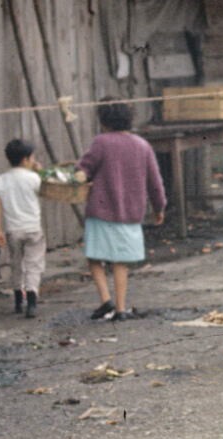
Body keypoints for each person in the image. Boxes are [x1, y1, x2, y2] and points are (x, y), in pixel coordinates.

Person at [75, 102, 166, 321]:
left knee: (94, 257)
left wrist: (78, 174)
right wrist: (159, 206)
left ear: (104, 121)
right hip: (131, 213)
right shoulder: (142, 145)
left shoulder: (101, 142)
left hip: (101, 209)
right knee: (120, 262)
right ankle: (121, 309)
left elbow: (84, 169)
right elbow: (155, 181)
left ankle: (105, 300)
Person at [0, 138, 44, 319]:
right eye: (32, 157)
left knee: (16, 264)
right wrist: (40, 171)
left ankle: (18, 300)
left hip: (13, 230)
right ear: (26, 159)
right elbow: (47, 188)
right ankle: (32, 300)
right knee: (34, 264)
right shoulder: (34, 178)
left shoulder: (1, 180)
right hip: (33, 228)